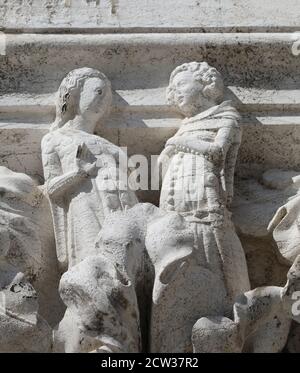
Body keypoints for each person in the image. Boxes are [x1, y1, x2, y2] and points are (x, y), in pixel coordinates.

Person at [149, 62, 250, 352]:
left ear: (206, 85)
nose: (173, 92)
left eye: (181, 84)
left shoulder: (226, 115)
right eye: (172, 89)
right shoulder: (184, 127)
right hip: (176, 215)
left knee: (216, 269)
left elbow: (218, 152)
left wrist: (179, 143)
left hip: (207, 212)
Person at [42, 67, 138, 269]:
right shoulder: (55, 139)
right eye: (98, 92)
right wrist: (78, 174)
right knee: (94, 269)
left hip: (122, 211)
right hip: (87, 210)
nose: (103, 101)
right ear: (76, 94)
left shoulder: (110, 147)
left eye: (107, 97)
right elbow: (51, 189)